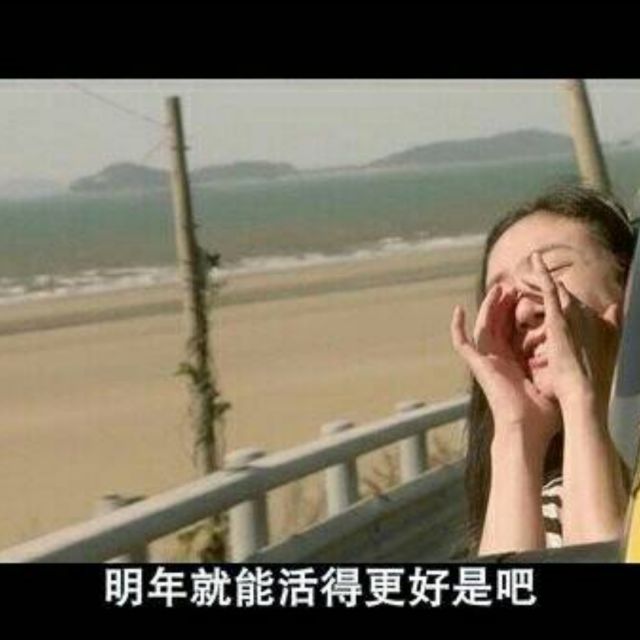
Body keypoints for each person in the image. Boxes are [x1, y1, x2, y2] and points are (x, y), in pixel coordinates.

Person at [450, 184, 636, 557]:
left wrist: (586, 398)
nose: (524, 311)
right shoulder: (546, 507)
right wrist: (517, 429)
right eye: (500, 294)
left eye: (550, 270)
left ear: (629, 286)